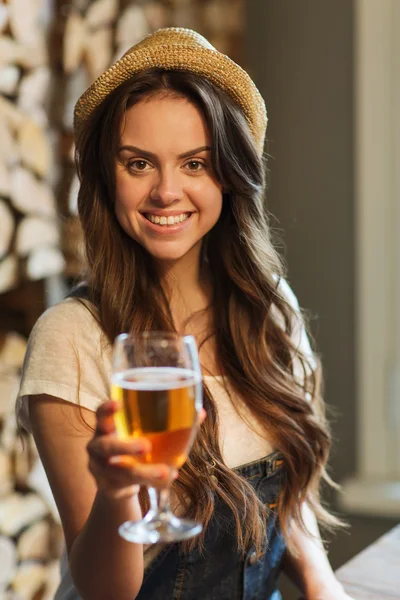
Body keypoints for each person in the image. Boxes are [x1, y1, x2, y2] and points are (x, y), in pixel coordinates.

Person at [16, 28, 353, 600]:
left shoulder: (270, 307)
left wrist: (325, 588)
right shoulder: (71, 338)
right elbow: (104, 592)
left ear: (229, 174)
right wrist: (119, 493)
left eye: (194, 163)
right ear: (107, 177)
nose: (166, 191)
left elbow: (284, 509)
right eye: (139, 164)